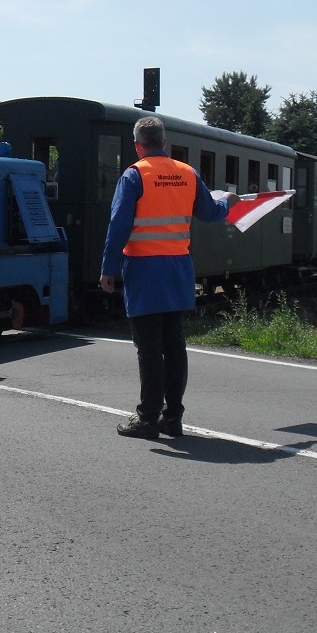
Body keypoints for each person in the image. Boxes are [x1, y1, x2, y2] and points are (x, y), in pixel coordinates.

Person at [99, 116, 238, 439]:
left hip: (145, 271)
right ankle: (172, 417)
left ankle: (147, 419)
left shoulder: (134, 175)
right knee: (174, 344)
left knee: (148, 347)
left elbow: (118, 225)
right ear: (164, 142)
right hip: (177, 269)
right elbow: (209, 213)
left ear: (137, 146)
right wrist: (226, 203)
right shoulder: (187, 173)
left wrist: (108, 268)